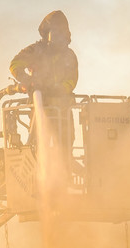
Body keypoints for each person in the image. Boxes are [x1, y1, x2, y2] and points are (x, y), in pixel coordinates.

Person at [9, 10, 79, 175]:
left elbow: (72, 80)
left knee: (65, 149)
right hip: (40, 110)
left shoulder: (69, 55)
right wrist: (27, 80)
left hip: (63, 111)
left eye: (61, 33)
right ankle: (38, 180)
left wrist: (58, 89)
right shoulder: (35, 51)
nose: (58, 37)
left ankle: (63, 179)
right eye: (55, 32)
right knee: (39, 148)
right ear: (47, 33)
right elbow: (15, 64)